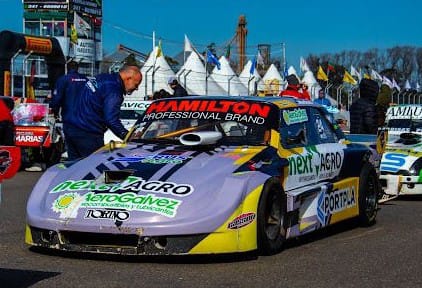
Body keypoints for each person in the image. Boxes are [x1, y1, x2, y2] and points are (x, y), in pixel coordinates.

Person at [61, 64, 142, 161]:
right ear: (128, 78)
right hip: (88, 134)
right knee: (93, 170)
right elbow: (111, 119)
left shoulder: (101, 77)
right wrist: (127, 136)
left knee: (74, 169)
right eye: (136, 84)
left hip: (70, 128)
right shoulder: (114, 90)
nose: (136, 88)